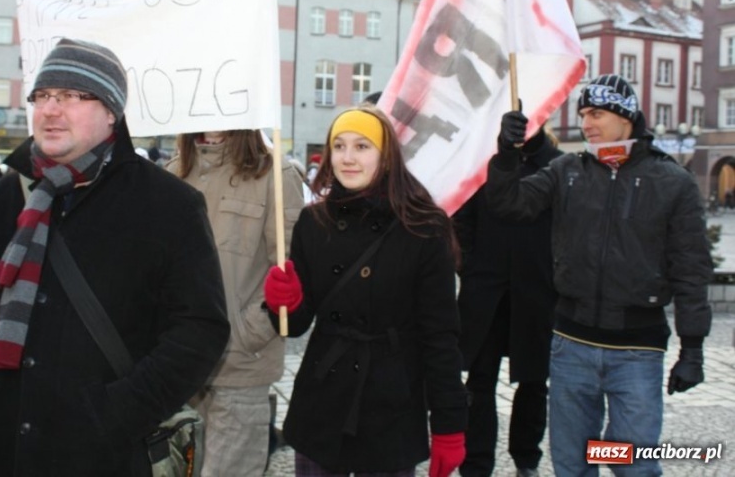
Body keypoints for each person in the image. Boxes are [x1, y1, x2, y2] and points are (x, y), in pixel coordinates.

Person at [0, 38, 230, 476]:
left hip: (101, 457)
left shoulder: (167, 204)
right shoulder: (12, 192)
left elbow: (199, 330)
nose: (51, 110)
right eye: (42, 96)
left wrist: (117, 415)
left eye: (73, 96)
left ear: (111, 111)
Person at [486, 74, 712, 476]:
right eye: (583, 113)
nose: (586, 122)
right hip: (571, 345)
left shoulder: (672, 181)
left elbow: (691, 269)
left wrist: (692, 349)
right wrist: (506, 154)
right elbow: (510, 205)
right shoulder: (567, 170)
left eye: (597, 113)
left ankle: (609, 454)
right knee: (573, 465)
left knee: (632, 465)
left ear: (626, 116)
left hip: (637, 353)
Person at [264, 106, 468, 476]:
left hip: (391, 403)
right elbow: (295, 325)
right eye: (339, 146)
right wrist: (285, 303)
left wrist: (449, 425)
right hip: (322, 400)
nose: (347, 157)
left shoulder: (423, 228)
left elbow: (440, 336)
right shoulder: (313, 222)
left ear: (385, 156)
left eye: (361, 146)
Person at [167, 129, 305, 476]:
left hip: (239, 366)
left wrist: (245, 334)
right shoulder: (173, 172)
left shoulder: (275, 174)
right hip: (177, 368)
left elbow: (289, 269)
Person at [453, 125, 561, 477]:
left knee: (533, 382)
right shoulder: (485, 162)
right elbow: (461, 219)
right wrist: (470, 264)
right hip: (486, 292)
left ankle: (526, 459)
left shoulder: (558, 166)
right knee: (479, 382)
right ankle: (476, 464)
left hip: (537, 293)